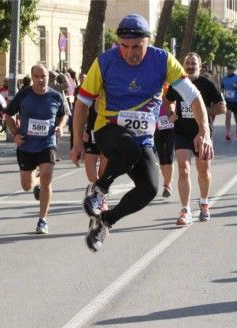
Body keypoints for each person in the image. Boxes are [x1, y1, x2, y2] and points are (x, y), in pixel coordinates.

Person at [70, 14, 213, 252]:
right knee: (129, 149)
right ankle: (98, 190)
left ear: (149, 41)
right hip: (108, 128)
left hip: (142, 137)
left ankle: (105, 222)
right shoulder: (105, 62)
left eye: (137, 46)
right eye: (124, 46)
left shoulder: (163, 60)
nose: (130, 53)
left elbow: (193, 96)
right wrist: (77, 142)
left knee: (150, 188)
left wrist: (204, 130)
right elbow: (82, 103)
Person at [5, 64, 68, 234]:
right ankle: (36, 181)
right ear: (32, 78)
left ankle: (42, 220)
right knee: (26, 185)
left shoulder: (56, 96)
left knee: (47, 179)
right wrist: (15, 134)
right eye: (37, 77)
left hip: (47, 143)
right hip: (26, 145)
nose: (41, 80)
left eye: (44, 76)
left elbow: (65, 114)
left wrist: (60, 126)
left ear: (49, 77)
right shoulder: (24, 94)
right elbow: (8, 114)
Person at [166, 52, 225, 225]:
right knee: (183, 169)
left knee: (203, 171)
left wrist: (205, 113)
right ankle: (185, 210)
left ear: (200, 66)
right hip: (182, 132)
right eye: (188, 63)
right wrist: (170, 112)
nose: (190, 66)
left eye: (194, 63)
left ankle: (204, 203)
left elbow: (222, 107)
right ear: (183, 65)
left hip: (202, 134)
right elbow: (168, 100)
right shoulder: (178, 83)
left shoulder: (207, 84)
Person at [154, 84, 174, 198]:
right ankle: (166, 182)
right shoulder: (153, 91)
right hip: (158, 128)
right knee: (162, 157)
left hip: (171, 128)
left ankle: (168, 184)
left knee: (169, 156)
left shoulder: (170, 90)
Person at [221, 64, 237, 141]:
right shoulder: (224, 79)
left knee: (236, 117)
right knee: (228, 115)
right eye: (228, 69)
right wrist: (221, 95)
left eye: (231, 69)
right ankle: (228, 133)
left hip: (236, 101)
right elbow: (222, 88)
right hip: (228, 101)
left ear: (234, 70)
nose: (229, 71)